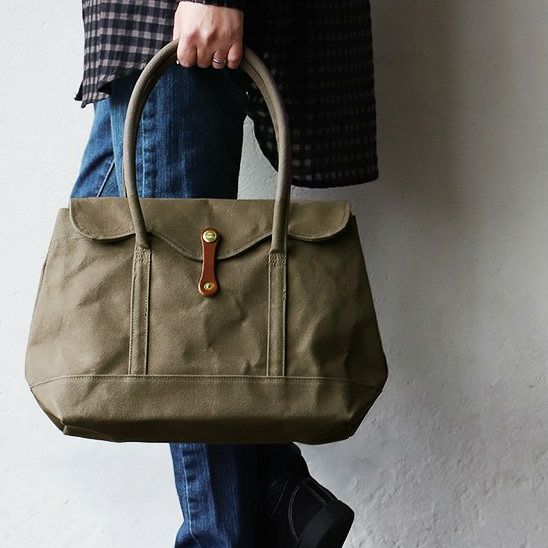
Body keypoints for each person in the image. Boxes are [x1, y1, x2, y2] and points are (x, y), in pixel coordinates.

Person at [71, 1, 380, 546]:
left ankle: (238, 523)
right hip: (140, 30)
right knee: (103, 251)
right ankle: (278, 488)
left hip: (175, 21)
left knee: (184, 323)